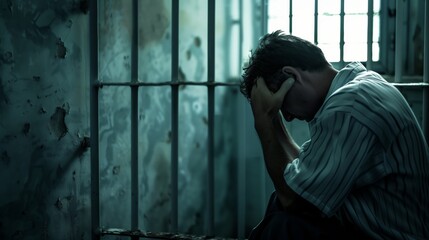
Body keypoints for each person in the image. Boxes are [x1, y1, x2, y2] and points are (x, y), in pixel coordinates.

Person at [240, 30, 429, 239]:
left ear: (292, 77)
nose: (289, 117)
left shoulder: (349, 106)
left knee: (284, 224)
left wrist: (264, 123)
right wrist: (272, 117)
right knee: (281, 215)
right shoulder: (359, 86)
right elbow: (302, 181)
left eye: (282, 105)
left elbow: (295, 200)